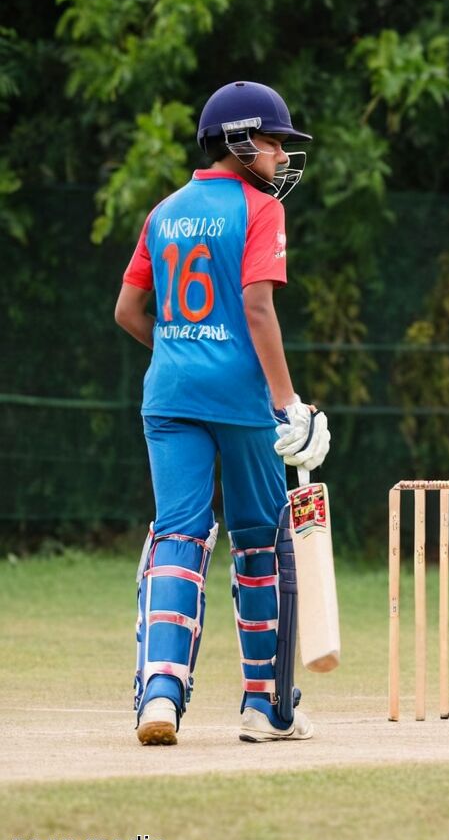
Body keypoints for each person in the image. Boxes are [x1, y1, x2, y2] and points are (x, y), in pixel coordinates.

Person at [114, 80, 331, 746]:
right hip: (241, 400)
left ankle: (158, 694)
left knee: (178, 537)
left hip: (169, 395)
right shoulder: (259, 208)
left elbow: (127, 311)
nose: (279, 155)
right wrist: (288, 403)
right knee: (259, 539)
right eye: (271, 141)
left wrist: (181, 350)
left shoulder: (165, 211)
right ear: (239, 141)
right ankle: (265, 706)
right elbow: (259, 306)